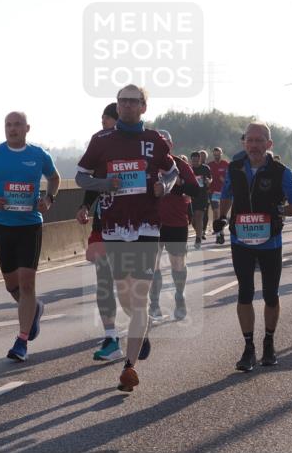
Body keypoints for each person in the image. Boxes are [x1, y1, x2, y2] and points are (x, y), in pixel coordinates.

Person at [76, 84, 177, 392]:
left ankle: (129, 367)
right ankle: (140, 329)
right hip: (115, 228)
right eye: (123, 101)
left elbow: (172, 172)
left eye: (134, 102)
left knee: (140, 295)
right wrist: (105, 182)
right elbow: (81, 176)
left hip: (147, 226)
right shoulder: (102, 140)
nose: (128, 106)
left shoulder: (154, 140)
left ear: (143, 107)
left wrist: (164, 187)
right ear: (117, 106)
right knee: (125, 295)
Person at [0, 111, 60, 362]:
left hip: (30, 225)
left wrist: (49, 198)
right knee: (12, 286)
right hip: (3, 225)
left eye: (17, 125)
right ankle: (34, 310)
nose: (12, 129)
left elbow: (54, 178)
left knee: (27, 283)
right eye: (8, 125)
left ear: (27, 128)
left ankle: (21, 341)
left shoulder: (39, 155)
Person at [219, 124, 292, 371]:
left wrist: (278, 210)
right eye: (250, 140)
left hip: (270, 241)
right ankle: (248, 348)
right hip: (240, 240)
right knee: (244, 293)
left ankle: (268, 342)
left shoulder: (281, 171)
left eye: (259, 141)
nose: (254, 145)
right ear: (244, 142)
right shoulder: (234, 168)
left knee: (270, 294)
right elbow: (226, 194)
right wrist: (222, 216)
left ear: (269, 144)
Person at [77, 103, 123, 361]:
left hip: (134, 225)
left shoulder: (144, 142)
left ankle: (140, 326)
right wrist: (85, 205)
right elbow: (90, 178)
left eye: (104, 120)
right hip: (104, 223)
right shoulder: (101, 145)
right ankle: (111, 338)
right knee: (104, 282)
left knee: (128, 286)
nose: (102, 125)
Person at [149, 130, 199, 321]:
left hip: (176, 222)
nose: (162, 146)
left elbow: (195, 189)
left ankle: (179, 297)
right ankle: (154, 304)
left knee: (177, 263)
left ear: (171, 145)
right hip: (152, 222)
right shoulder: (148, 164)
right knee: (152, 265)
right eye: (158, 143)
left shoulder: (180, 164)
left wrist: (177, 184)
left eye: (165, 143)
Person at [190, 150, 212, 249]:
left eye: (196, 160)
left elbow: (210, 179)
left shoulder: (205, 168)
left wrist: (208, 181)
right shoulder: (189, 169)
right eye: (193, 161)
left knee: (199, 216)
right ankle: (199, 232)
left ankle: (198, 238)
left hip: (202, 196)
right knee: (193, 220)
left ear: (200, 160)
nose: (195, 162)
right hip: (192, 197)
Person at [208, 147, 229, 244]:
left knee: (222, 214)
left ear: (221, 153)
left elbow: (230, 179)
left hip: (224, 192)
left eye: (218, 154)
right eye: (215, 155)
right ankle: (218, 234)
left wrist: (224, 180)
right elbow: (207, 179)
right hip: (214, 192)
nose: (216, 156)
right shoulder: (210, 165)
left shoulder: (226, 164)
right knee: (216, 213)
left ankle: (222, 232)